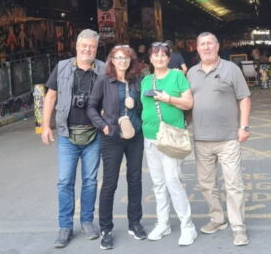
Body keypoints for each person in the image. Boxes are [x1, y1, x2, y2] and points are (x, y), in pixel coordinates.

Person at [41, 29, 105, 248]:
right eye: (84, 46)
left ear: (96, 48)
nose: (87, 50)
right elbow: (50, 96)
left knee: (90, 181)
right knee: (64, 181)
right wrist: (45, 126)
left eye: (92, 47)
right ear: (77, 46)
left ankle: (87, 221)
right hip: (67, 134)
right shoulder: (62, 67)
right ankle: (65, 226)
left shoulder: (104, 69)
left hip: (93, 134)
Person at [187, 32, 252, 246]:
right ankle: (217, 219)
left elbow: (244, 98)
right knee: (206, 185)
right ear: (197, 48)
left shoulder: (230, 69)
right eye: (202, 44)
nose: (206, 47)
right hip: (201, 139)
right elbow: (185, 104)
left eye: (210, 44)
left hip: (228, 138)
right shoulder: (191, 74)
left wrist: (244, 126)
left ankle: (238, 227)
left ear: (217, 46)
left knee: (234, 184)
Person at [86, 45, 146, 249]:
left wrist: (135, 104)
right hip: (112, 136)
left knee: (135, 179)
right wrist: (103, 127)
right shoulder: (104, 81)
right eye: (118, 58)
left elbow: (144, 108)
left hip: (136, 136)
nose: (122, 61)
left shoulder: (136, 81)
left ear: (131, 61)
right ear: (112, 60)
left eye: (126, 58)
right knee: (110, 183)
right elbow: (91, 107)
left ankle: (135, 223)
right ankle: (106, 228)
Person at [140, 41, 197, 246]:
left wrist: (167, 99)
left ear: (169, 57)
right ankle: (163, 223)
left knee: (172, 180)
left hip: (171, 136)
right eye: (155, 55)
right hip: (150, 137)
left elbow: (189, 103)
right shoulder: (146, 80)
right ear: (150, 58)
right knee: (158, 183)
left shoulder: (177, 76)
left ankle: (187, 225)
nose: (159, 58)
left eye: (163, 55)